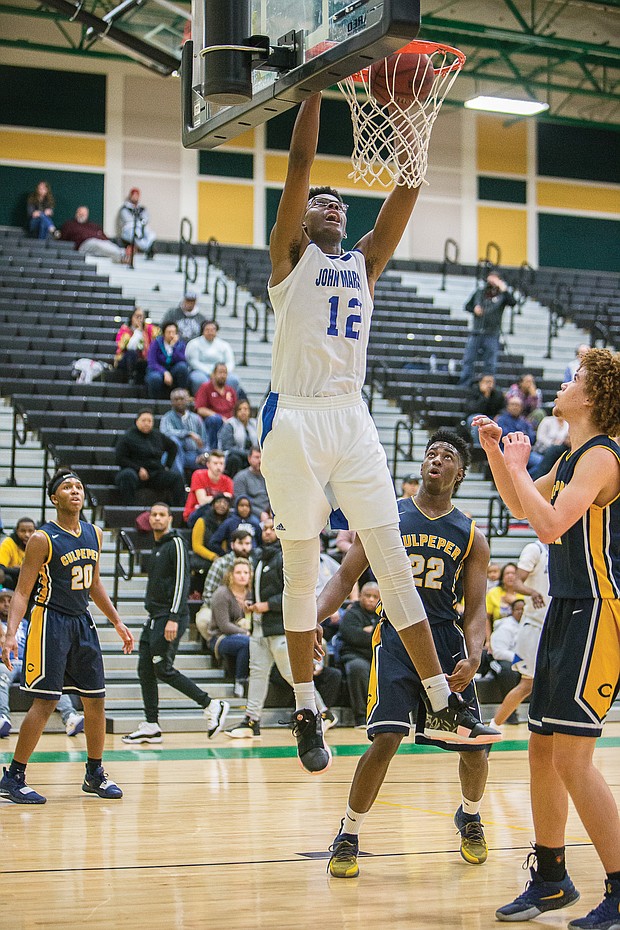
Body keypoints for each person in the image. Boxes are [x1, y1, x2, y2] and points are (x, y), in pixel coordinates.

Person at [260, 92, 494, 774]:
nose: (331, 202)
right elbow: (301, 160)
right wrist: (312, 86)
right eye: (320, 200)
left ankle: (439, 701)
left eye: (340, 201)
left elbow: (409, 184)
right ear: (301, 219)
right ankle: (306, 705)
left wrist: (412, 117)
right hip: (295, 415)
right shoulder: (288, 257)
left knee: (392, 562)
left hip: (352, 414)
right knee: (301, 568)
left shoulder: (365, 262)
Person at [473, 347, 620, 928]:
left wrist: (516, 462)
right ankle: (553, 878)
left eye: (575, 377)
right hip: (565, 608)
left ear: (594, 397)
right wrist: (497, 457)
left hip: (596, 611)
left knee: (574, 757)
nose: (564, 382)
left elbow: (551, 525)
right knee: (541, 748)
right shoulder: (571, 457)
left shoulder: (603, 458)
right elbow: (520, 505)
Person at [320, 429, 495, 877]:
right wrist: (312, 619)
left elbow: (476, 613)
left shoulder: (471, 534)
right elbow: (345, 578)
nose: (436, 459)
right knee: (386, 739)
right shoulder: (388, 516)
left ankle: (470, 816)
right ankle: (348, 832)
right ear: (421, 465)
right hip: (397, 639)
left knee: (473, 748)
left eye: (448, 455)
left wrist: (474, 656)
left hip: (445, 642)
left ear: (460, 473)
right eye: (431, 453)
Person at [0, 470, 134, 803]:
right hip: (49, 621)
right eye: (66, 487)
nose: (74, 491)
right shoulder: (42, 539)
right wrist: (11, 633)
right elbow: (21, 592)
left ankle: (94, 773)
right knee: (45, 701)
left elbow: (94, 583)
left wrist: (117, 621)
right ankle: (13, 776)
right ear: (53, 497)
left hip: (81, 621)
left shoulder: (95, 534)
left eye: (78, 486)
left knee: (96, 700)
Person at [122, 503, 229, 744]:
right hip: (154, 617)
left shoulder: (177, 543)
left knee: (163, 668)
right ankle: (151, 724)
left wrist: (172, 616)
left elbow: (183, 581)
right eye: (154, 515)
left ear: (170, 518)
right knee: (145, 669)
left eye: (162, 515)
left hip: (170, 617)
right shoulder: (158, 546)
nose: (157, 519)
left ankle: (211, 704)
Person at [225, 518, 335, 739]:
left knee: (293, 675)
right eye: (264, 529)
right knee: (257, 674)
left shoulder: (285, 556)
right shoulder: (260, 557)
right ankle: (251, 721)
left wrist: (267, 605)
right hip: (261, 627)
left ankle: (323, 714)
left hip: (281, 626)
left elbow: (295, 591)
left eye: (270, 528)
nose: (266, 532)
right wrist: (252, 602)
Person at [0, 587, 84, 739]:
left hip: (26, 662)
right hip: (4, 663)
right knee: (2, 675)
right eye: (2, 601)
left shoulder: (25, 623)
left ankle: (70, 716)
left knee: (51, 676)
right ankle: (2, 717)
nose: (6, 604)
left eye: (9, 601)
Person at [488, 541, 549, 731]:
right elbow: (516, 582)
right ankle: (493, 727)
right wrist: (532, 592)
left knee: (556, 684)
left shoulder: (564, 551)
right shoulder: (536, 549)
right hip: (534, 626)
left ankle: (551, 733)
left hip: (555, 625)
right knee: (527, 684)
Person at [115, 409, 186, 507]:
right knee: (126, 476)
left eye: (149, 421)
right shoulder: (127, 437)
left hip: (155, 473)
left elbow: (172, 447)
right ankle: (129, 509)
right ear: (137, 421)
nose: (147, 423)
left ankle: (178, 511)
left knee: (176, 478)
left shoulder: (157, 435)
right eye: (143, 420)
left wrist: (167, 466)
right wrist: (138, 469)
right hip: (134, 472)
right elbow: (120, 458)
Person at [458, 273, 517, 387]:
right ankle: (465, 383)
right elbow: (467, 306)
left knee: (490, 362)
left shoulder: (502, 295)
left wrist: (504, 289)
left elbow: (513, 302)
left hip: (492, 333)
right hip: (476, 332)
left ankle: (488, 386)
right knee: (469, 359)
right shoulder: (480, 292)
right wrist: (474, 309)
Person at [337, 582, 380, 727]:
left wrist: (369, 631)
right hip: (354, 655)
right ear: (360, 596)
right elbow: (352, 637)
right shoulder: (351, 613)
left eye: (375, 597)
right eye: (368, 595)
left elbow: (388, 636)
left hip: (377, 657)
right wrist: (374, 633)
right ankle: (361, 717)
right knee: (358, 668)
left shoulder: (384, 614)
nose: (371, 599)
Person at [207, 558, 252, 697]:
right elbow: (224, 625)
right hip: (220, 637)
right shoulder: (222, 593)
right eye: (238, 572)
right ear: (230, 575)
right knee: (248, 643)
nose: (242, 575)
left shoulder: (251, 593)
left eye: (246, 572)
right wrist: (246, 632)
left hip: (244, 634)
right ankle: (240, 681)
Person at [160, 388, 207, 477]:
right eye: (176, 399)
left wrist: (204, 454)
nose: (179, 402)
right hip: (175, 455)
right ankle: (180, 482)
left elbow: (204, 440)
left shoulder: (196, 418)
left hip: (193, 454)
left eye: (182, 399)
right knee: (174, 441)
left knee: (212, 461)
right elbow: (166, 433)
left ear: (187, 400)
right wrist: (188, 434)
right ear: (171, 402)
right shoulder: (167, 418)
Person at [201, 530, 253, 609]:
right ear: (232, 545)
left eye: (247, 544)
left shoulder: (253, 564)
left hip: (246, 608)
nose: (244, 547)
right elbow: (208, 594)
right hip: (218, 607)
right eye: (240, 543)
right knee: (203, 619)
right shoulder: (220, 563)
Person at [185, 320, 239, 394]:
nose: (210, 332)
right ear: (203, 331)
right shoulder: (194, 344)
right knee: (199, 379)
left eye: (213, 330)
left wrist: (223, 372)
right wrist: (211, 373)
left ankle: (228, 400)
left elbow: (230, 361)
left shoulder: (224, 345)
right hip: (200, 371)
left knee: (233, 379)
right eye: (207, 330)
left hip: (221, 371)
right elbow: (193, 361)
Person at [183, 449, 234, 526]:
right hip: (195, 514)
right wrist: (222, 496)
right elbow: (202, 501)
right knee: (206, 509)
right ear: (208, 464)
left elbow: (226, 504)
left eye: (221, 464)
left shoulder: (228, 481)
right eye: (215, 463)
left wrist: (210, 499)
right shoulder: (198, 475)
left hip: (217, 516)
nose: (218, 466)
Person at [60, 206, 128, 262]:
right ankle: (123, 255)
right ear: (76, 213)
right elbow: (63, 239)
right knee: (97, 244)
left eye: (84, 214)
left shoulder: (93, 225)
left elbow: (104, 237)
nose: (81, 215)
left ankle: (123, 254)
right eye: (80, 213)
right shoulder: (70, 225)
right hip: (83, 245)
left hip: (100, 244)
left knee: (106, 244)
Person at [194, 363, 237, 450]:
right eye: (220, 372)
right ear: (213, 374)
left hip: (230, 423)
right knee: (215, 419)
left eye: (225, 373)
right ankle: (212, 449)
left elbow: (236, 408)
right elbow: (200, 409)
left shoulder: (230, 390)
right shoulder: (205, 387)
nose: (223, 375)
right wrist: (220, 417)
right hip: (213, 422)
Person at [495, 397, 543, 475]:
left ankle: (526, 480)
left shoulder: (525, 421)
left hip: (526, 452)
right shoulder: (501, 420)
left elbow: (532, 437)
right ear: (507, 406)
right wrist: (522, 435)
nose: (515, 407)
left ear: (521, 407)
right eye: (512, 404)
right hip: (507, 450)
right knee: (507, 462)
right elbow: (504, 436)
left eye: (517, 405)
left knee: (542, 462)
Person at [145, 321, 190, 400]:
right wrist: (164, 372)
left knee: (182, 367)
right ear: (164, 333)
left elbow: (182, 359)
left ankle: (182, 397)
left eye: (173, 332)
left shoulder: (180, 344)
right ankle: (154, 402)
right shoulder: (156, 343)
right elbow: (152, 362)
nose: (171, 335)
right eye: (169, 332)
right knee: (155, 378)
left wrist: (174, 348)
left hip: (173, 370)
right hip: (157, 370)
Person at [114, 307, 159, 385]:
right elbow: (129, 347)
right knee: (132, 353)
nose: (139, 319)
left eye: (141, 316)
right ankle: (130, 378)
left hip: (144, 360)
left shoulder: (149, 329)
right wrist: (138, 331)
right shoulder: (125, 329)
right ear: (132, 317)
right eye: (137, 316)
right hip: (126, 359)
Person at [219, 399, 259, 478]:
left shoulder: (255, 423)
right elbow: (227, 447)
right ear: (236, 412)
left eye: (245, 409)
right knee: (235, 459)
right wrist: (247, 454)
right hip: (235, 455)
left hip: (251, 455)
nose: (243, 412)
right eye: (240, 409)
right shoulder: (229, 424)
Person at [464, 374, 505, 447]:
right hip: (477, 417)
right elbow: (472, 409)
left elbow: (503, 408)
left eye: (491, 382)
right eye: (487, 382)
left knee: (503, 420)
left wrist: (499, 415)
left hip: (492, 418)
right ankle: (479, 447)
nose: (489, 385)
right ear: (480, 383)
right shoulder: (473, 392)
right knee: (475, 421)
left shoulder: (498, 394)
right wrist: (485, 397)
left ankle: (499, 447)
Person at [233, 446, 270, 520]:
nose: (260, 460)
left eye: (262, 457)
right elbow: (241, 503)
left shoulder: (270, 477)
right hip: (250, 513)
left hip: (270, 512)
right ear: (249, 459)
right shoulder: (241, 477)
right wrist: (260, 513)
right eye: (256, 457)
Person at [117, 187, 155, 258]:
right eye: (133, 195)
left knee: (151, 234)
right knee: (136, 235)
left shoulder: (141, 208)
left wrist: (142, 222)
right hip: (129, 228)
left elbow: (146, 218)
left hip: (141, 227)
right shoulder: (125, 208)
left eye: (137, 196)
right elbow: (128, 220)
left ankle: (147, 248)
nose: (135, 197)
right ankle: (144, 249)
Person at [0, 517, 36, 590]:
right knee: (7, 578)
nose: (27, 535)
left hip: (31, 579)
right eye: (23, 531)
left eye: (30, 531)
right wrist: (21, 570)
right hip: (14, 579)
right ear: (16, 531)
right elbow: (1, 567)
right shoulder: (8, 543)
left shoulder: (39, 543)